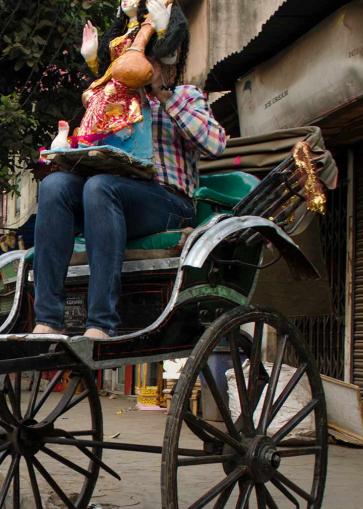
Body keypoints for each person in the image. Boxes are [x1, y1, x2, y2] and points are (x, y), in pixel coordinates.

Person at [32, 0, 224, 339]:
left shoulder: (186, 95)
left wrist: (162, 94)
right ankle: (48, 318)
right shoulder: (112, 101)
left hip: (167, 203)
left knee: (101, 187)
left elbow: (214, 143)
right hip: (107, 199)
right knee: (55, 186)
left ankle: (101, 322)